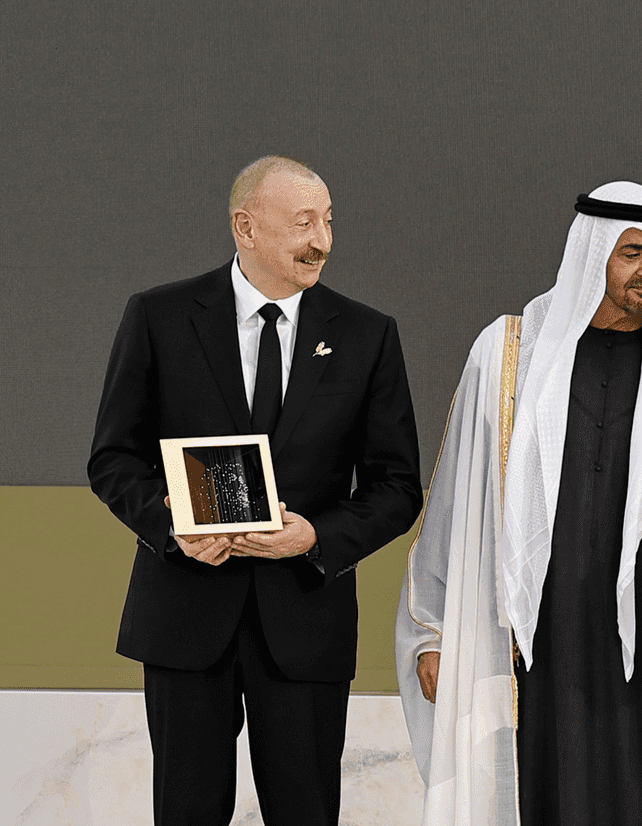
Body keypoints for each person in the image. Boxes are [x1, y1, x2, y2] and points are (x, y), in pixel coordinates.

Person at [396, 182, 642, 826]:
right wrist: (431, 632)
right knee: (541, 786)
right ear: (591, 253)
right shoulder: (506, 354)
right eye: (632, 253)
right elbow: (455, 505)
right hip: (538, 641)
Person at [88, 156, 422, 826]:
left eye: (328, 221)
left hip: (306, 623)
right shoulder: (158, 316)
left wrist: (317, 537)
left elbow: (397, 486)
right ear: (245, 226)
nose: (322, 240)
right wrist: (173, 528)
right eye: (304, 223)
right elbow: (113, 458)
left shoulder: (367, 334)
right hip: (185, 619)